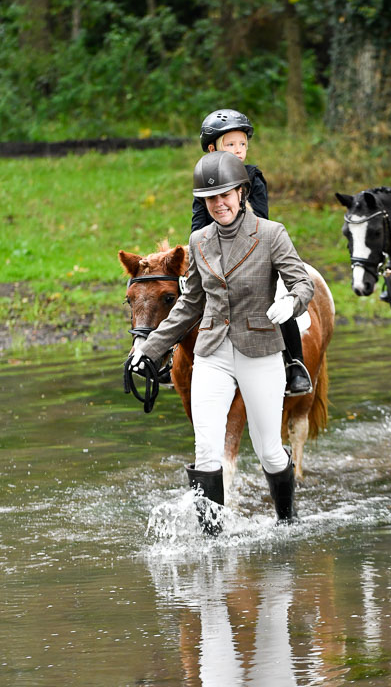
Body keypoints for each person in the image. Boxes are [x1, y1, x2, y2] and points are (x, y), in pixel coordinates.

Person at [130, 150, 314, 533]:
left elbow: (303, 283)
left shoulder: (271, 234)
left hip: (260, 348)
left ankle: (287, 523)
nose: (219, 204)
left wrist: (290, 302)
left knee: (268, 450)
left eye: (226, 195)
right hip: (212, 353)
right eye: (211, 198)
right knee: (205, 450)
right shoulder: (199, 241)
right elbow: (189, 304)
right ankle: (212, 540)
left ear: (242, 193)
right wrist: (148, 348)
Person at [192, 107, 312, 396]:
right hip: (215, 252)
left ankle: (294, 363)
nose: (238, 150)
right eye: (230, 144)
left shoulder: (253, 176)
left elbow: (263, 219)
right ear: (212, 148)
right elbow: (197, 223)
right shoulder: (204, 179)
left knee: (279, 295)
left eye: (242, 144)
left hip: (254, 250)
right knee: (188, 295)